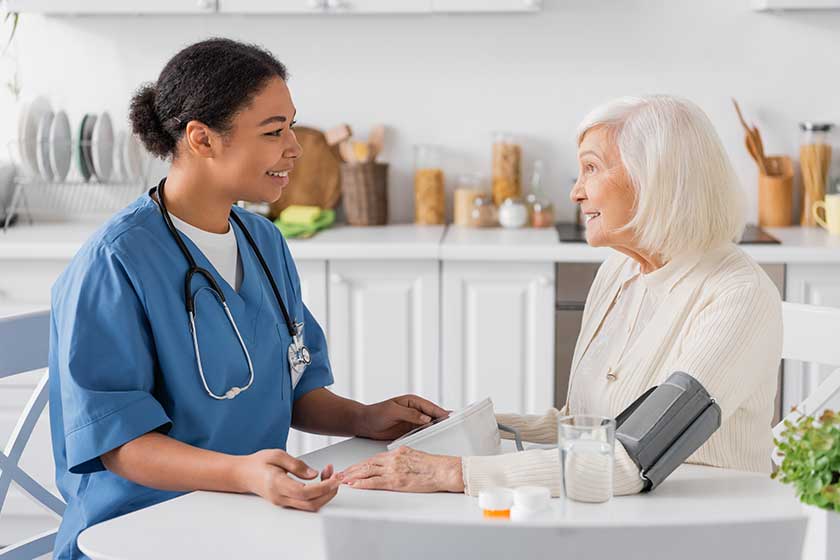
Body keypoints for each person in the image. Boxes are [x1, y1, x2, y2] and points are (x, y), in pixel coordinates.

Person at [48, 38, 446, 560]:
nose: (295, 147)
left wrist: (363, 418)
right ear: (202, 139)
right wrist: (243, 474)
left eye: (291, 127)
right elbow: (120, 445)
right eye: (273, 131)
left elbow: (290, 387)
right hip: (138, 532)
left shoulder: (263, 241)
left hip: (245, 517)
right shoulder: (114, 262)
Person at [340, 95, 782, 500]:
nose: (576, 192)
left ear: (655, 178)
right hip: (615, 513)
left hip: (700, 525)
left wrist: (452, 472)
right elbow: (581, 428)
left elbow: (633, 460)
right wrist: (450, 430)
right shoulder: (620, 270)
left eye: (592, 168)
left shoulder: (736, 296)